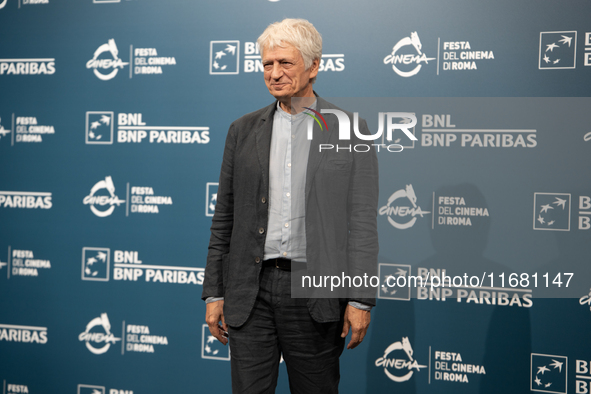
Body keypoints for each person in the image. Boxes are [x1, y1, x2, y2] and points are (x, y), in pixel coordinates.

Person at [202, 18, 379, 394]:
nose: (275, 73)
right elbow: (225, 219)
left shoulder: (351, 129)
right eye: (267, 64)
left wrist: (361, 297)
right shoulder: (242, 130)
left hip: (316, 293)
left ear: (314, 66)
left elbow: (362, 222)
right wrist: (215, 292)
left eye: (286, 63)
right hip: (251, 293)